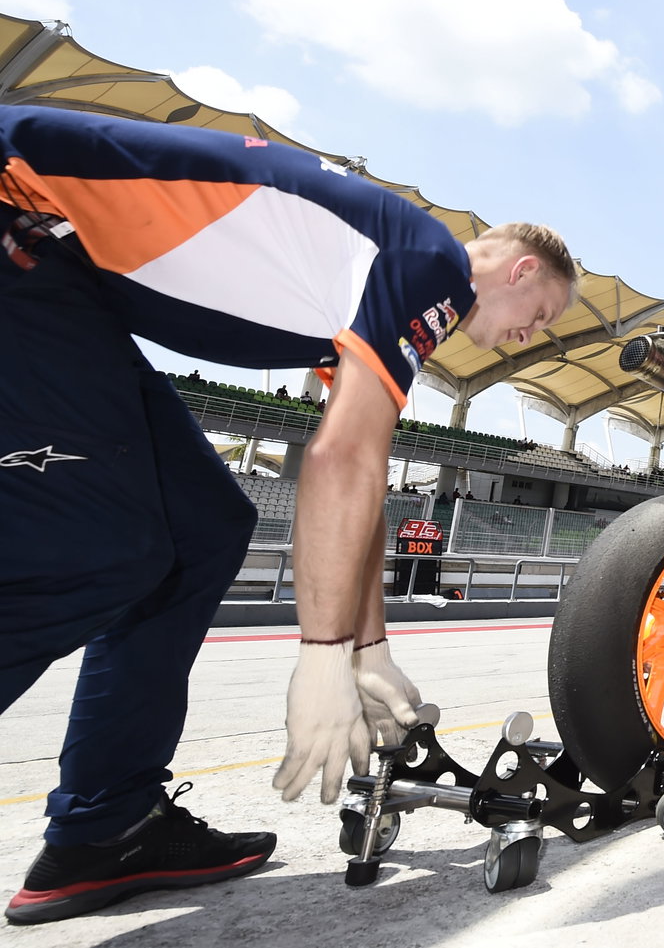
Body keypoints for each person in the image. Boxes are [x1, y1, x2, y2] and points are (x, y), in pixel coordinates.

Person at [0, 104, 577, 925]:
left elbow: (359, 466)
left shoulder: (373, 272)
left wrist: (369, 648)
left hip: (58, 273)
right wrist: (320, 657)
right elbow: (342, 461)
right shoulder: (431, 264)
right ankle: (103, 818)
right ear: (520, 270)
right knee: (104, 549)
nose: (526, 339)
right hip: (19, 220)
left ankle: (106, 827)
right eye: (542, 317)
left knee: (202, 532)